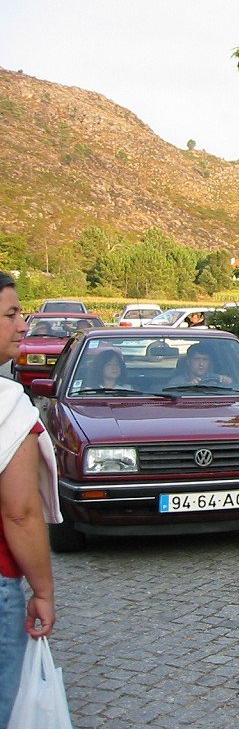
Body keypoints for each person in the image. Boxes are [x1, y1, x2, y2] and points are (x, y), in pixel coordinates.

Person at [0, 272, 58, 727]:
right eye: (11, 314)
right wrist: (43, 592)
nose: (23, 325)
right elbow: (20, 512)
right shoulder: (8, 407)